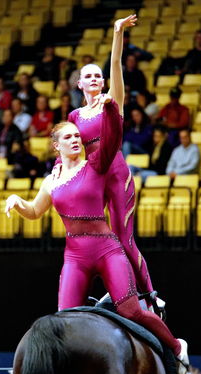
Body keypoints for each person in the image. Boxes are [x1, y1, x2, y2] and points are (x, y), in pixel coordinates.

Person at [5, 98, 189, 374]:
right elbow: (33, 211)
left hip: (106, 250)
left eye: (78, 135)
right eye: (68, 137)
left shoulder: (96, 165)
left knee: (130, 310)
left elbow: (113, 137)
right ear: (57, 145)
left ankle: (176, 348)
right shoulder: (51, 179)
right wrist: (16, 200)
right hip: (75, 256)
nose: (76, 140)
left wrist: (112, 110)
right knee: (63, 321)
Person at [67, 15, 155, 303]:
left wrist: (117, 34)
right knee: (94, 238)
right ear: (79, 84)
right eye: (88, 76)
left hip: (115, 173)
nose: (93, 79)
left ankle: (149, 295)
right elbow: (73, 153)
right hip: (92, 178)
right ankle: (117, 289)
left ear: (102, 81)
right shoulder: (74, 117)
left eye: (97, 75)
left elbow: (116, 64)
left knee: (123, 238)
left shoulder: (112, 100)